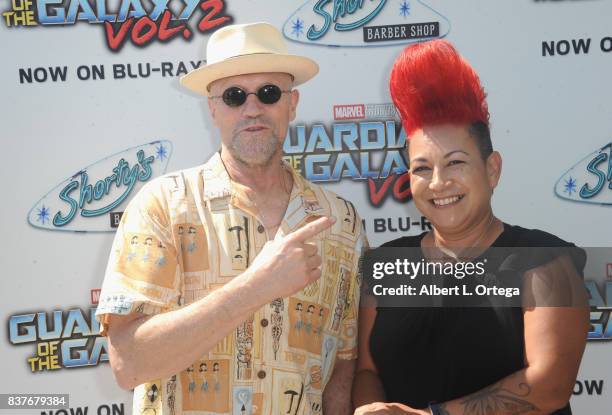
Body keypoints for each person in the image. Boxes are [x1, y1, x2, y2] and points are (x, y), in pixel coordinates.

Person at [95, 22, 366, 415]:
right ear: (213, 108)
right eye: (234, 95)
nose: (252, 108)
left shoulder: (340, 222)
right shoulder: (162, 206)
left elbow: (342, 363)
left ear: (292, 104)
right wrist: (258, 286)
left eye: (269, 93)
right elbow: (128, 363)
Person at [352, 40, 589, 415]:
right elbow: (366, 370)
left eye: (456, 162)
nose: (438, 182)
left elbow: (549, 384)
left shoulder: (544, 261)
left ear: (492, 169)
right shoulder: (385, 262)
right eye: (422, 168)